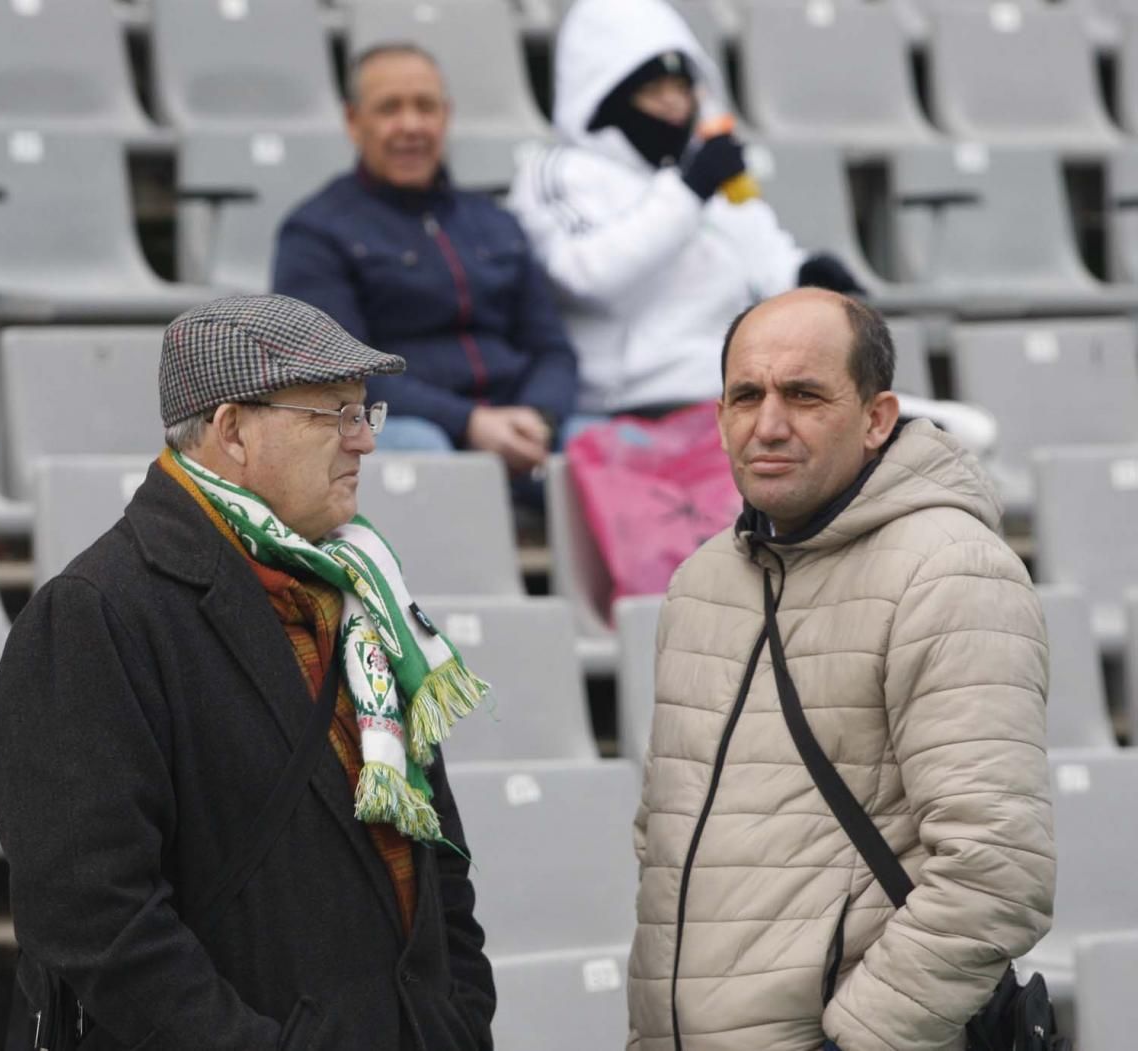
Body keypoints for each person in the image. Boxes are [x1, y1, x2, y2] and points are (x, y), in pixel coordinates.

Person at [0, 294, 495, 1051]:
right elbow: (98, 921)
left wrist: (457, 1018)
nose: (363, 442)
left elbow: (437, 867)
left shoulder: (362, 591)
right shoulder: (95, 614)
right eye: (334, 414)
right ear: (232, 431)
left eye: (365, 412)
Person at [628, 288, 1056, 1051]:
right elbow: (664, 840)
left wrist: (856, 1042)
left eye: (803, 394)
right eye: (745, 395)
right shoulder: (700, 583)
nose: (768, 424)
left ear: (877, 417)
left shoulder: (951, 570)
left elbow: (995, 876)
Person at [508, 0, 862, 421]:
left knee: (930, 435)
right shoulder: (560, 173)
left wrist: (804, 277)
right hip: (634, 405)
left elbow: (761, 255)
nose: (675, 105)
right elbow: (584, 274)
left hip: (733, 392)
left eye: (682, 87)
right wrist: (689, 193)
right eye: (654, 91)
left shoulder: (695, 171)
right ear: (606, 96)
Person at [273, 44, 577, 488]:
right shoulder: (316, 231)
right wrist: (469, 423)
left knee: (603, 440)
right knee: (423, 446)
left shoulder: (496, 222)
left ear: (446, 116)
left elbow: (552, 349)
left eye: (425, 107)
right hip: (406, 426)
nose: (411, 125)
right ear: (353, 122)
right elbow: (340, 375)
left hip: (518, 424)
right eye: (389, 109)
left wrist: (539, 417)